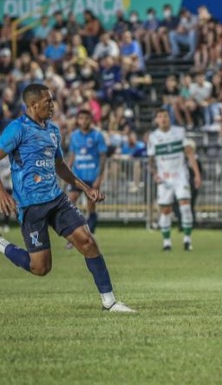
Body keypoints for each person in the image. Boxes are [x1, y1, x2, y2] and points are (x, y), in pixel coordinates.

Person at [0, 84, 133, 312]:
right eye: (47, 102)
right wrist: (2, 192)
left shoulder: (53, 130)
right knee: (41, 268)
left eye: (52, 101)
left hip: (56, 199)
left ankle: (109, 302)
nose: (52, 106)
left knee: (88, 242)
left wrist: (85, 188)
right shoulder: (16, 129)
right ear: (32, 105)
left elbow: (60, 166)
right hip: (31, 206)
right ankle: (2, 244)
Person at [147, 108, 202, 251]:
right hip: (164, 179)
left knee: (185, 207)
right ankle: (166, 243)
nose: (163, 119)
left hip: (180, 176)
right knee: (165, 210)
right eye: (160, 117)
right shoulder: (153, 137)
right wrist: (154, 173)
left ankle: (187, 241)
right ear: (156, 120)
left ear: (169, 118)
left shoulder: (179, 132)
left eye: (165, 116)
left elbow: (190, 154)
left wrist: (197, 174)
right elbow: (151, 160)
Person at [65, 110, 108, 249]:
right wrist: (66, 172)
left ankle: (90, 231)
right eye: (81, 118)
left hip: (92, 177)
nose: (84, 121)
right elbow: (72, 155)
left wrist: (99, 177)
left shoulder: (97, 135)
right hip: (77, 177)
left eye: (86, 118)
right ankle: (73, 235)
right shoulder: (74, 136)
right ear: (78, 120)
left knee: (91, 207)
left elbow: (103, 157)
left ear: (91, 120)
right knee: (70, 202)